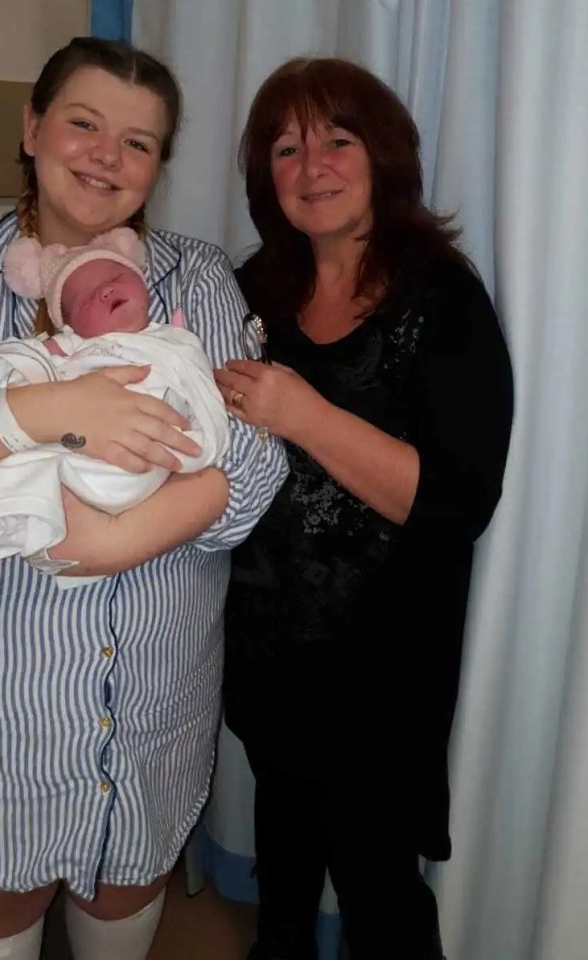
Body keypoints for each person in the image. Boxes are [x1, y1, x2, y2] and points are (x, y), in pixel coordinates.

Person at [0, 37, 287, 960]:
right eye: (82, 123)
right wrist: (44, 410)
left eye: (138, 142)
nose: (105, 156)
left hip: (156, 694)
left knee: (126, 896)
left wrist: (120, 543)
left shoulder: (195, 280)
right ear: (32, 127)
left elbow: (254, 457)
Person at [214, 57, 513, 960]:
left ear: (382, 154)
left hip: (379, 681)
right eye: (286, 149)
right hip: (264, 654)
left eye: (337, 140)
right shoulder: (250, 288)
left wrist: (303, 415)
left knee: (383, 901)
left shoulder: (443, 300)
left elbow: (456, 502)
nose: (313, 166)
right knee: (285, 891)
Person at [0, 227, 229, 580]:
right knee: (33, 465)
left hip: (156, 460)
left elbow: (206, 394)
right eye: (87, 299)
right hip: (83, 462)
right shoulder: (74, 348)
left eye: (116, 277)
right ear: (72, 327)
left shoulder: (177, 339)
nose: (105, 291)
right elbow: (17, 364)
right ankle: (23, 515)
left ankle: (69, 528)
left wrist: (204, 437)